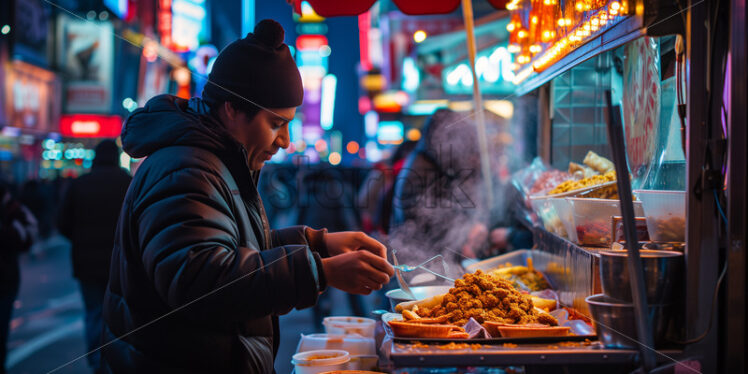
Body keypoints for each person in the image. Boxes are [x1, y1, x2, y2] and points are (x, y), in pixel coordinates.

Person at [100, 20, 393, 373]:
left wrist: (319, 244)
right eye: (275, 124)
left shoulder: (216, 161)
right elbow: (200, 280)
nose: (284, 141)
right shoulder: (186, 168)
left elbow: (233, 247)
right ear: (233, 110)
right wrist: (319, 272)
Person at [57, 140, 131, 372]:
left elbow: (62, 222)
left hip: (86, 262)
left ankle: (95, 360)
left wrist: (80, 239)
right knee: (120, 313)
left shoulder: (80, 184)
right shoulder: (128, 183)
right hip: (120, 262)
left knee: (93, 312)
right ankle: (115, 359)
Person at [389, 109, 489, 276]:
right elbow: (428, 225)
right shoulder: (420, 171)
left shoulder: (437, 163)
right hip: (420, 268)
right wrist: (466, 237)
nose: (462, 149)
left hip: (434, 263)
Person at [0, 180, 37, 374]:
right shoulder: (12, 207)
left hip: (5, 280)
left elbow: (27, 235)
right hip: (7, 279)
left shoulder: (11, 208)